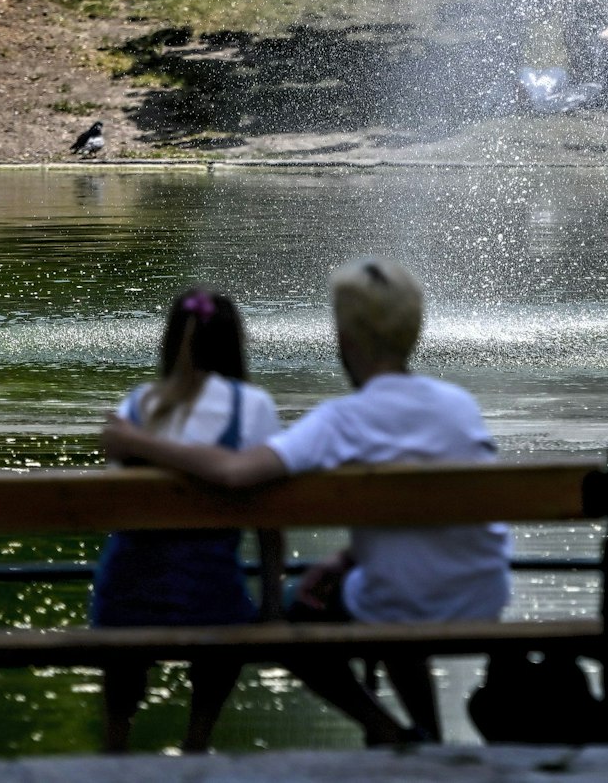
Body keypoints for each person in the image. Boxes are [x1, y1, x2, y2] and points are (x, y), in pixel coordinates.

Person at [101, 257, 511, 745]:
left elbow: (236, 472)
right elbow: (434, 515)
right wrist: (346, 559)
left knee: (306, 610)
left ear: (344, 340)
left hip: (399, 600)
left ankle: (387, 728)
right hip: (483, 597)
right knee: (388, 587)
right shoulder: (459, 405)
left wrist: (141, 443)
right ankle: (427, 733)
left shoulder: (343, 419)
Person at [91, 288, 283, 754]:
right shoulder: (250, 406)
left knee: (131, 576)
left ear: (170, 340)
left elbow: (117, 505)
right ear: (235, 342)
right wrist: (271, 602)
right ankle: (197, 739)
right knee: (230, 604)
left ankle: (117, 742)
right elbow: (270, 522)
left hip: (126, 598)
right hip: (208, 593)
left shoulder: (136, 407)